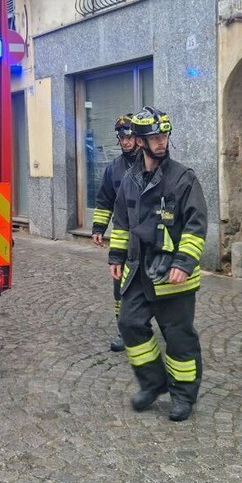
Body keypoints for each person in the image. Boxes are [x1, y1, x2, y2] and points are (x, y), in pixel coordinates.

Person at [108, 106, 207, 422]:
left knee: (179, 337)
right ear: (139, 141)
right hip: (139, 271)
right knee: (129, 323)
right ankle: (153, 383)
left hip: (173, 274)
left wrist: (184, 262)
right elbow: (122, 222)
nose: (161, 141)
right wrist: (117, 257)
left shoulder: (183, 178)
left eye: (164, 135)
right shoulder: (130, 179)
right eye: (154, 137)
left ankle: (183, 395)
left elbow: (196, 225)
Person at [91, 114, 139, 352]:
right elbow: (104, 200)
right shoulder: (113, 168)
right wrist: (99, 228)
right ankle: (124, 331)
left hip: (148, 237)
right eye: (122, 137)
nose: (126, 141)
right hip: (123, 237)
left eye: (129, 136)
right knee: (120, 285)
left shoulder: (151, 163)